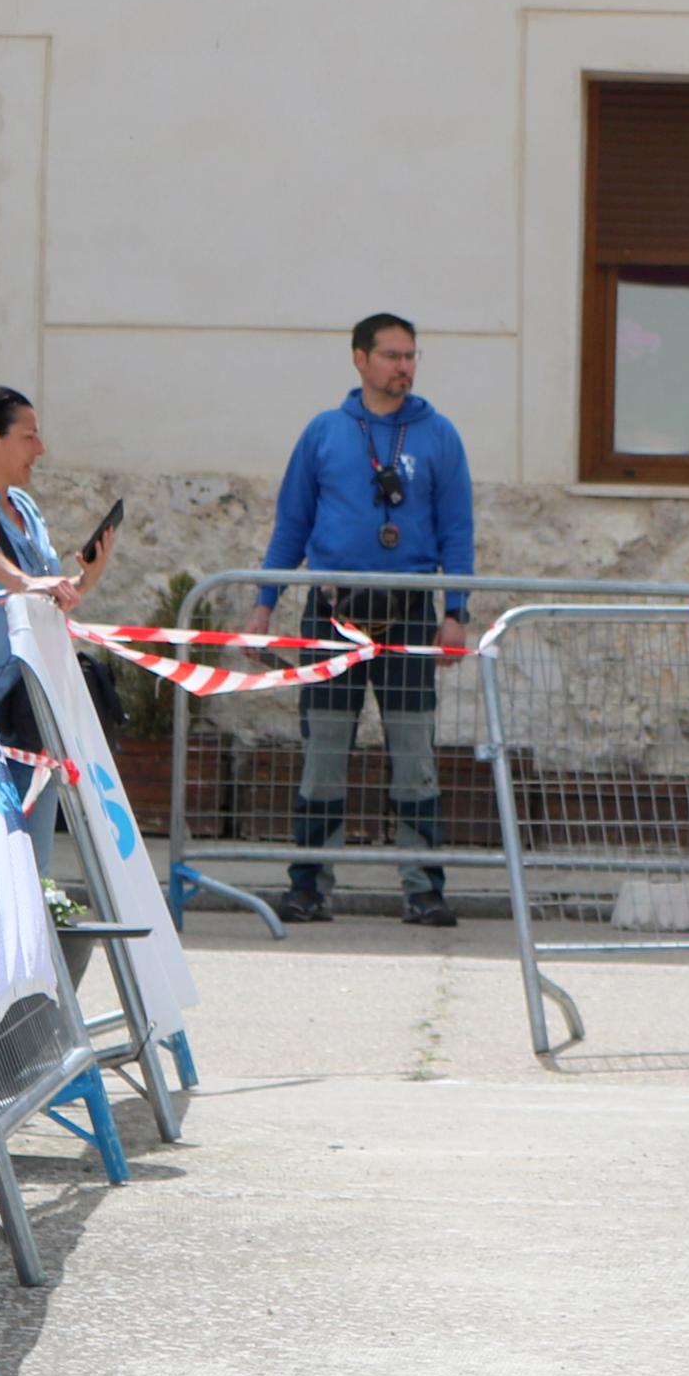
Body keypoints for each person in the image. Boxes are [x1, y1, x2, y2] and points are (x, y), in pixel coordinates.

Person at [252, 313, 475, 928]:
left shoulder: (439, 437)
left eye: (411, 357)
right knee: (323, 752)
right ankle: (309, 885)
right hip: (330, 612)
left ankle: (423, 887)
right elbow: (290, 526)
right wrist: (264, 605)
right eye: (391, 356)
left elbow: (458, 530)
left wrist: (456, 613)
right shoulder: (325, 433)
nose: (403, 367)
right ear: (359, 358)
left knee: (414, 754)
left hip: (409, 617)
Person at [0, 383, 114, 744]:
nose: (41, 449)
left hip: (34, 705)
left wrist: (84, 581)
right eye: (29, 437)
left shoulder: (26, 506)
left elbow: (40, 592)